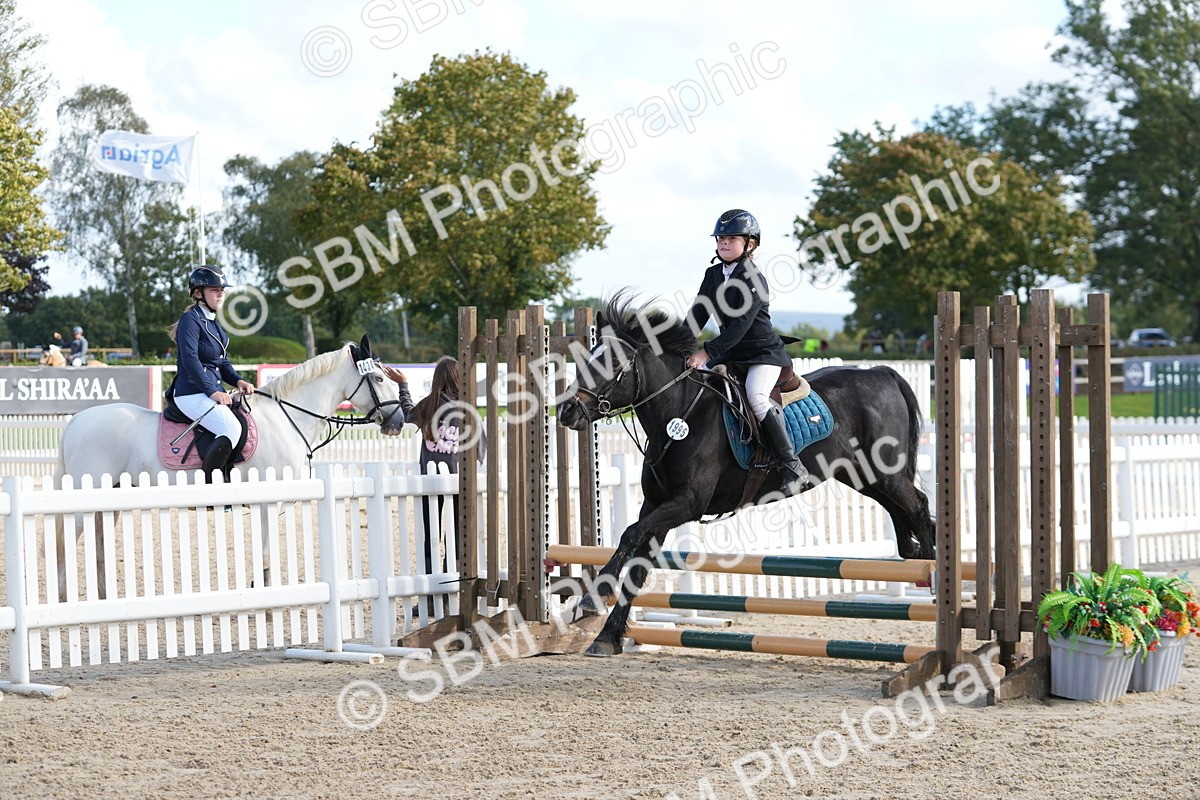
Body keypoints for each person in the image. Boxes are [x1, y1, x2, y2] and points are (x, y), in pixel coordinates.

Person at [684, 208, 804, 496]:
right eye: (720, 238)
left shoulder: (754, 277)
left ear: (750, 244)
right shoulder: (713, 274)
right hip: (731, 353)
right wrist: (678, 344)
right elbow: (698, 313)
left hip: (762, 354)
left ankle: (792, 465)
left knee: (756, 398)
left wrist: (706, 353)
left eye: (731, 238)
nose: (724, 243)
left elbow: (740, 326)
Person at [385, 357, 485, 578]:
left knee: (430, 534)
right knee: (457, 534)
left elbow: (407, 412)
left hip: (430, 482)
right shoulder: (467, 409)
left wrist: (403, 385)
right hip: (459, 482)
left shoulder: (429, 405)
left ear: (436, 378)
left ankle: (431, 581)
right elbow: (481, 447)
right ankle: (452, 578)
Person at [168, 265, 255, 483]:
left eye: (222, 290)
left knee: (243, 420)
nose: (220, 294)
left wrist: (238, 380)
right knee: (231, 428)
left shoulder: (213, 323)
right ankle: (208, 488)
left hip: (208, 392)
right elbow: (190, 360)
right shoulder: (190, 320)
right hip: (190, 393)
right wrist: (212, 392)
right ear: (198, 293)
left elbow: (221, 362)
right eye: (214, 290)